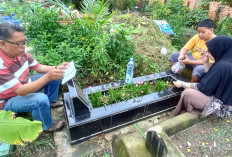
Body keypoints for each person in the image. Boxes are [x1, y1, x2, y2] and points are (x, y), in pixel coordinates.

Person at [0, 21, 68, 132]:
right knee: (40, 100)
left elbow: (38, 67)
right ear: (3, 43)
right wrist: (48, 77)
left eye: (24, 42)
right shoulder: (1, 65)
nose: (23, 47)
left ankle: (50, 102)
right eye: (19, 43)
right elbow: (21, 91)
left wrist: (58, 67)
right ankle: (45, 126)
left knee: (54, 74)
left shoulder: (20, 53)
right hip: (9, 100)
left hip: (26, 85)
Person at [172, 35, 232, 118]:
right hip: (223, 99)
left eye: (210, 51)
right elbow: (213, 77)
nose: (207, 52)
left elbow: (204, 87)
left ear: (219, 49)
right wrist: (206, 62)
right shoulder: (226, 61)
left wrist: (182, 84)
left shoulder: (222, 66)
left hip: (221, 106)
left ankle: (181, 114)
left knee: (188, 93)